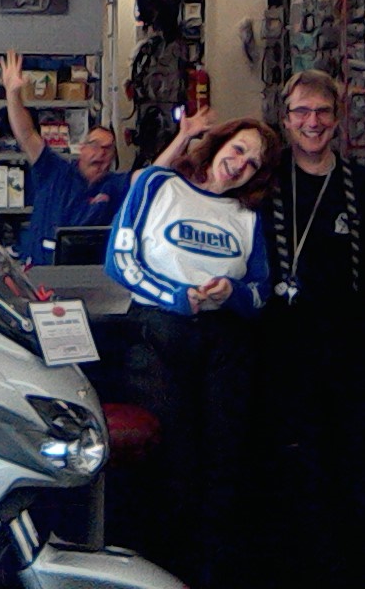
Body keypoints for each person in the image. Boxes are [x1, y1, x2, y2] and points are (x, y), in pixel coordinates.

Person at [106, 114, 281, 589]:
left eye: (254, 163)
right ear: (219, 143)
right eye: (239, 149)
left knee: (223, 470)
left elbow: (261, 291)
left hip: (225, 346)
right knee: (170, 468)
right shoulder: (158, 185)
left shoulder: (248, 215)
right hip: (157, 334)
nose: (241, 164)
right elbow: (120, 259)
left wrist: (233, 293)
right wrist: (176, 296)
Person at [258, 69, 365, 586]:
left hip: (351, 365)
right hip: (283, 364)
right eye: (302, 111)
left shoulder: (363, 186)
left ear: (338, 119)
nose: (313, 122)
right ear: (285, 120)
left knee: (356, 486)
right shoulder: (264, 182)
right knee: (293, 486)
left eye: (323, 111)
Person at [0, 49, 206, 265]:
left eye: (108, 149)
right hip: (40, 270)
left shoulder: (114, 185)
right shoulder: (54, 170)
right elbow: (26, 134)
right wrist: (12, 94)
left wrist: (184, 136)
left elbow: (152, 175)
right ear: (82, 148)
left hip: (89, 273)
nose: (101, 153)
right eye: (95, 145)